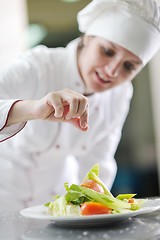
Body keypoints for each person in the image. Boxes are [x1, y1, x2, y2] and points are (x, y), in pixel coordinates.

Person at [0, 0, 160, 211]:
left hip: (53, 211)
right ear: (87, 38)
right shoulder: (38, 67)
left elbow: (98, 165)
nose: (112, 71)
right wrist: (34, 109)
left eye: (129, 66)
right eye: (107, 51)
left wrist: (96, 213)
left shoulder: (120, 93)